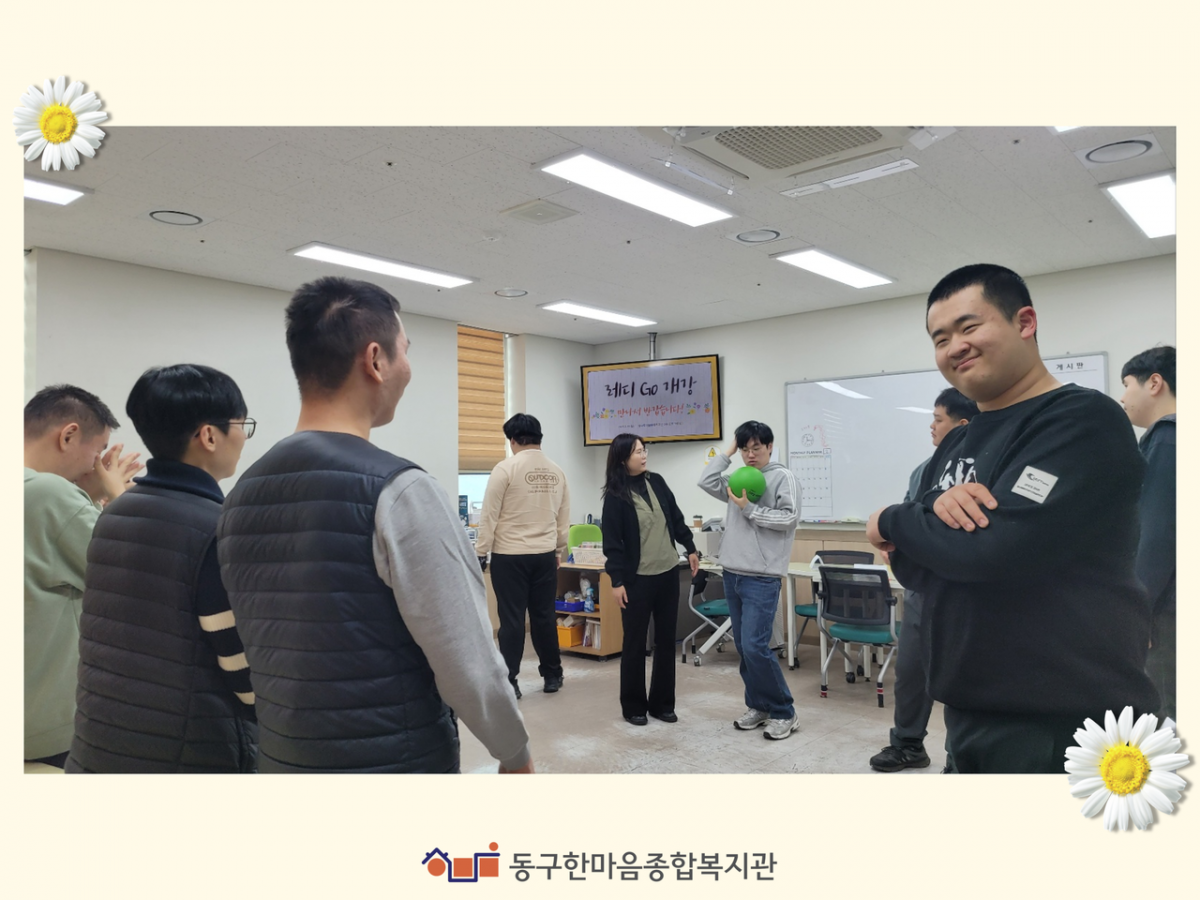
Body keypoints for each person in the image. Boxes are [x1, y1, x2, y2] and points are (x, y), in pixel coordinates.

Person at [217, 276, 532, 774]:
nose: (408, 367)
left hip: (282, 759)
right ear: (375, 360)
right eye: (405, 349)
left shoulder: (239, 496)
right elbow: (467, 659)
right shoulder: (401, 490)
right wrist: (514, 752)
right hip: (393, 761)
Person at [866, 264, 1158, 774]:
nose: (955, 346)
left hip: (1065, 719)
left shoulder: (1080, 419)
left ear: (1025, 322)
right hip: (971, 708)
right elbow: (913, 568)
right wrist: (926, 528)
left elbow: (992, 550)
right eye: (940, 338)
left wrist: (889, 519)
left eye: (968, 326)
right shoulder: (959, 439)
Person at [66, 365, 258, 773]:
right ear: (209, 436)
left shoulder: (114, 514)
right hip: (185, 756)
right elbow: (242, 673)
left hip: (100, 744)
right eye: (242, 425)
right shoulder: (215, 528)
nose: (244, 437)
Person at [24, 385, 142, 767]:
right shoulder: (50, 492)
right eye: (98, 450)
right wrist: (118, 494)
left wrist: (87, 498)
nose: (97, 465)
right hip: (45, 731)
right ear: (69, 435)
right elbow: (134, 572)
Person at [869, 386, 978, 773]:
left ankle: (958, 758)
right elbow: (908, 519)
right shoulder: (924, 470)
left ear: (962, 425)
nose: (931, 426)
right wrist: (893, 544)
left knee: (963, 680)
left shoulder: (984, 468)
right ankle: (907, 744)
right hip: (921, 590)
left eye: (938, 419)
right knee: (911, 672)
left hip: (965, 593)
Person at [698, 421, 801, 740]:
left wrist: (749, 509)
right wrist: (728, 451)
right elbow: (706, 480)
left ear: (770, 447)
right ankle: (759, 706)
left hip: (762, 577)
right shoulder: (738, 478)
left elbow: (790, 518)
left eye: (756, 447)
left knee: (756, 646)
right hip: (733, 573)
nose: (751, 454)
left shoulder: (783, 477)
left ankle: (784, 711)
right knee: (744, 647)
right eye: (745, 449)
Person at [601, 434, 699, 726]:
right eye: (637, 452)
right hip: (636, 580)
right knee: (634, 643)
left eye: (644, 450)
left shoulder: (657, 482)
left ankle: (662, 704)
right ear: (622, 459)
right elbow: (612, 544)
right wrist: (616, 581)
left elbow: (676, 518)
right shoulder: (615, 496)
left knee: (666, 641)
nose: (643, 456)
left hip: (667, 573)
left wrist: (690, 547)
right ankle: (633, 706)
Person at [475, 413, 570, 699]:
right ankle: (552, 675)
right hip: (544, 556)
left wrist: (480, 551)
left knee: (512, 621)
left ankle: (510, 682)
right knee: (544, 617)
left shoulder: (505, 469)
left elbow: (489, 515)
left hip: (510, 556)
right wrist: (558, 549)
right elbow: (563, 518)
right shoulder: (557, 472)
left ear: (513, 440)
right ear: (539, 438)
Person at [1119, 346, 1176, 721]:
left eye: (1127, 385)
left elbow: (1157, 535)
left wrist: (1138, 611)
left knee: (1165, 712)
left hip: (1166, 607)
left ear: (1154, 383)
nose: (1123, 397)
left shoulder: (1168, 438)